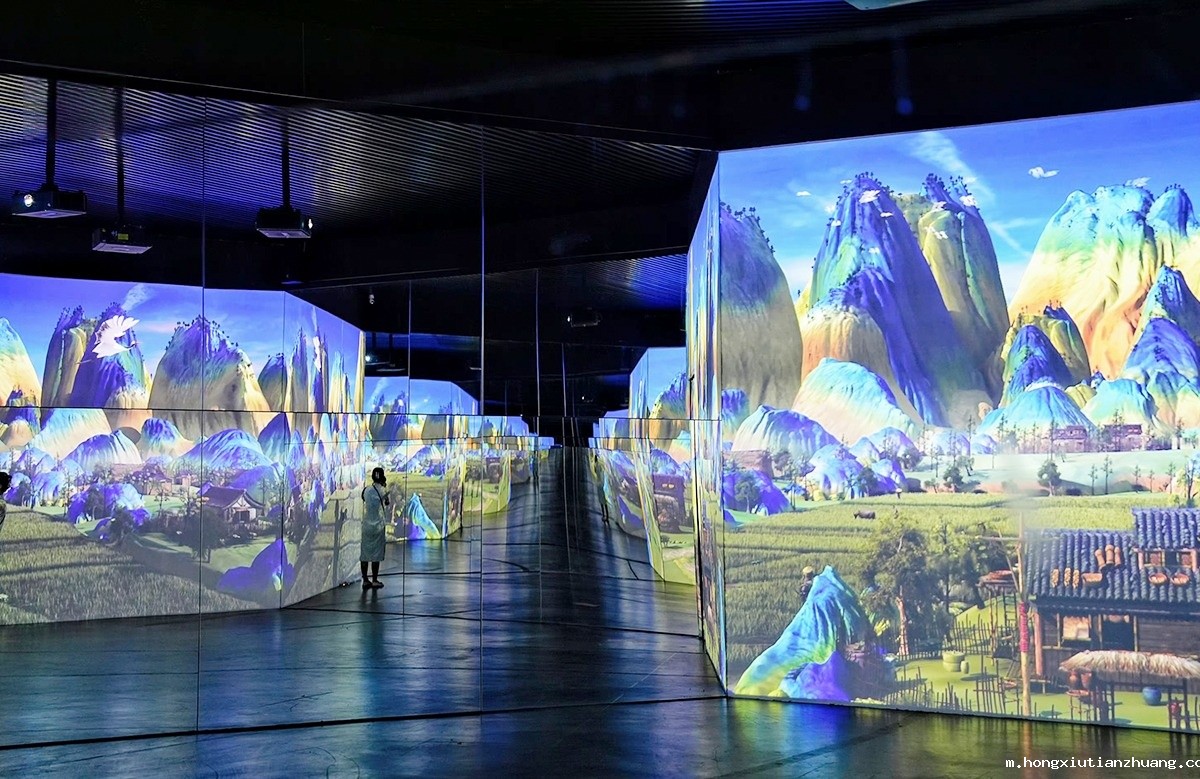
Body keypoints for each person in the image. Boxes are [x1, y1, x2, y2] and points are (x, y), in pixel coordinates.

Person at [360, 467, 389, 590]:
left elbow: (363, 498)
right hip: (378, 525)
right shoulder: (383, 491)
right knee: (376, 553)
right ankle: (375, 579)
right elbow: (387, 503)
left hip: (366, 524)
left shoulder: (366, 490)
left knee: (365, 553)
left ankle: (365, 580)